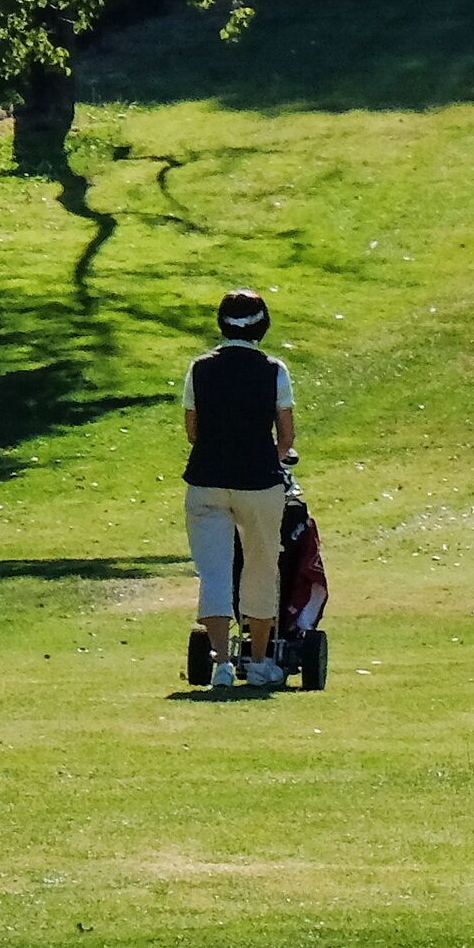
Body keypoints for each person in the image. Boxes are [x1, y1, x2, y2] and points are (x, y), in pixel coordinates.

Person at [181, 288, 298, 688]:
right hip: (259, 482)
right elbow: (286, 436)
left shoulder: (199, 368)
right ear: (262, 325)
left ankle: (221, 663)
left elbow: (193, 432)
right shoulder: (273, 369)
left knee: (213, 571)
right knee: (261, 567)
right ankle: (261, 661)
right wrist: (272, 457)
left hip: (206, 481)